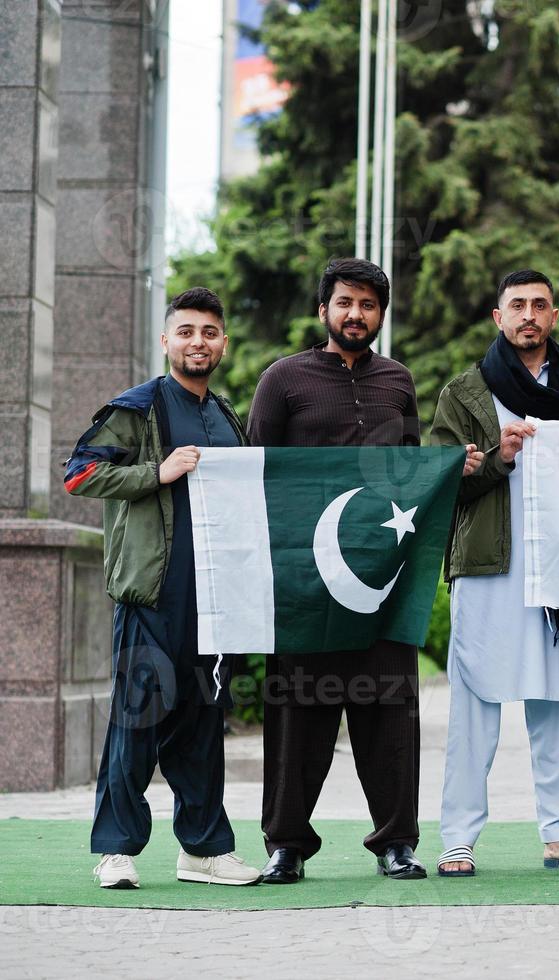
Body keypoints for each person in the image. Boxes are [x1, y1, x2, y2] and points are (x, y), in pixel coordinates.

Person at [249, 258, 459, 883]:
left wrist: (458, 468)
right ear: (324, 310)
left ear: (380, 316)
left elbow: (412, 474)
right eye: (345, 303)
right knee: (297, 715)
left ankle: (396, 842)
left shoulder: (399, 381)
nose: (355, 315)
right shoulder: (282, 380)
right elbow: (257, 476)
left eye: (368, 306)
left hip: (381, 578)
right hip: (304, 584)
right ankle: (286, 845)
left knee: (390, 712)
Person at [66, 287, 261, 888]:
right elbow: (80, 474)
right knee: (138, 719)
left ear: (223, 342)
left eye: (208, 332)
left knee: (204, 722)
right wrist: (158, 471)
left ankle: (203, 850)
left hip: (215, 602)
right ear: (166, 340)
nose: (197, 342)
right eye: (186, 331)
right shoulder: (138, 406)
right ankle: (116, 851)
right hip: (152, 596)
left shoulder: (228, 417)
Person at [431, 269, 559, 877]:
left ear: (554, 316)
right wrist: (498, 460)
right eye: (517, 305)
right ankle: (458, 837)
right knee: (475, 700)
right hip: (489, 566)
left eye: (540, 305)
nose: (529, 314)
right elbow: (439, 484)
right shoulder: (466, 392)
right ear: (497, 318)